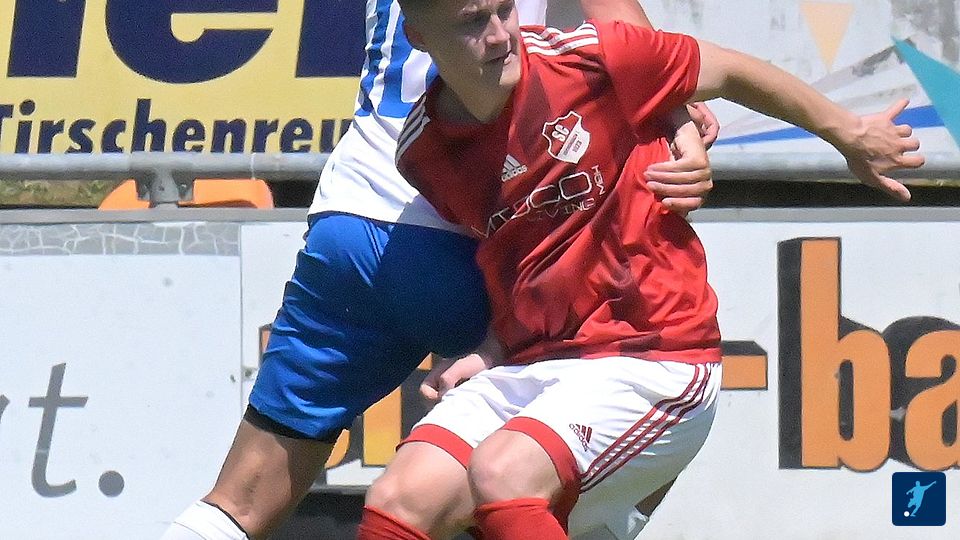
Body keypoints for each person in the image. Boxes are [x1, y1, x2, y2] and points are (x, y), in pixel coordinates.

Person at [356, 0, 924, 538]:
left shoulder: (589, 58)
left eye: (504, 9)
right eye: (472, 21)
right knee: (398, 500)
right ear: (418, 37)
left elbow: (730, 70)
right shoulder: (423, 151)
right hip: (532, 367)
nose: (500, 35)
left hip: (653, 358)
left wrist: (848, 132)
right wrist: (492, 347)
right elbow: (518, 253)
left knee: (504, 473)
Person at [159, 1, 717, 539]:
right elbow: (633, 37)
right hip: (477, 242)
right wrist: (679, 119)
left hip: (350, 227)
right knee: (642, 378)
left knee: (240, 502)